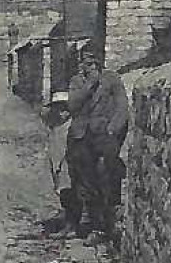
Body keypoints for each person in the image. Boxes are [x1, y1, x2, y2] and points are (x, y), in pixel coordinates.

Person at [65, 49, 130, 242]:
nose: (88, 65)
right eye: (85, 62)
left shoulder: (111, 79)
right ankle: (93, 225)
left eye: (92, 61)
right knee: (85, 180)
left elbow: (122, 108)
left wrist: (112, 130)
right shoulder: (77, 82)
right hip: (81, 137)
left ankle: (108, 224)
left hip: (104, 135)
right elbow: (72, 106)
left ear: (99, 62)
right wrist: (89, 85)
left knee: (106, 174)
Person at [40, 91, 82, 237]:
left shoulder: (72, 126)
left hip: (67, 164)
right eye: (58, 109)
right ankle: (67, 223)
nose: (61, 113)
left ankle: (72, 226)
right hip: (58, 165)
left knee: (70, 194)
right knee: (64, 194)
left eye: (64, 109)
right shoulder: (56, 127)